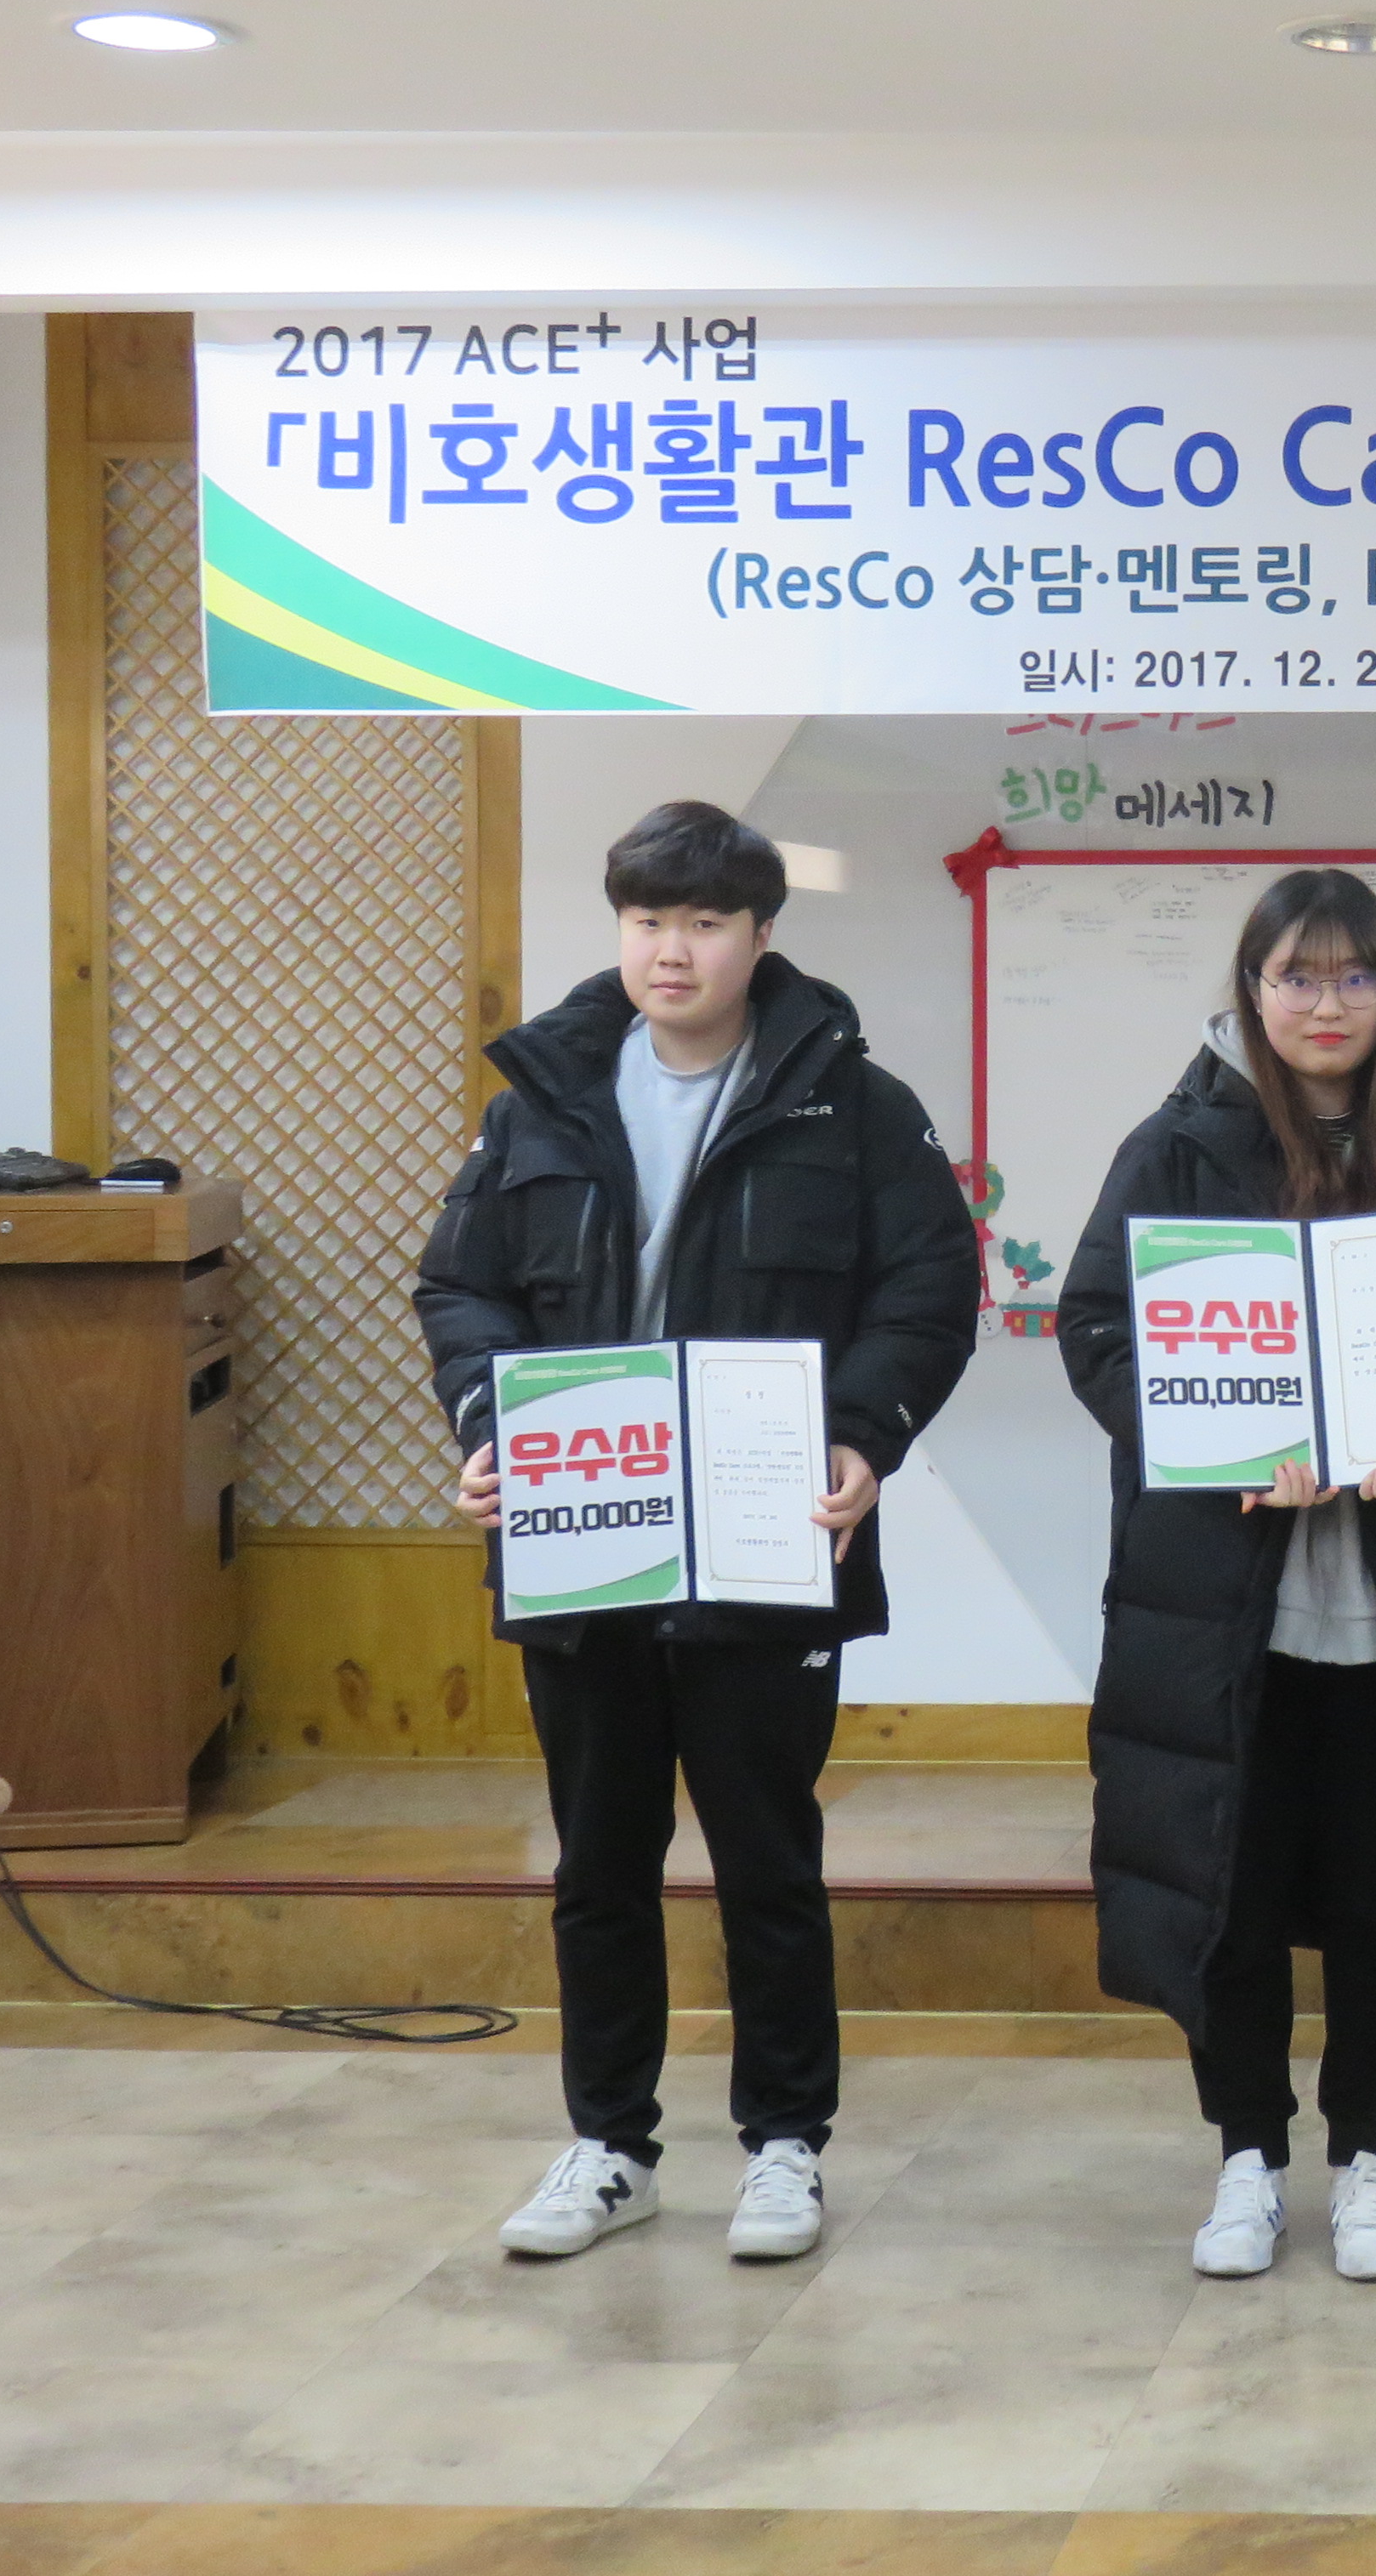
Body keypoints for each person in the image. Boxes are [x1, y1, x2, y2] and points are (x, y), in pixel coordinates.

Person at [418, 800, 979, 2266]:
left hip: (768, 1539)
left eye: (706, 923)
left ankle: (786, 2147)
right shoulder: (538, 1099)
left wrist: (860, 1436)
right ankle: (610, 2145)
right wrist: (492, 1426)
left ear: (760, 936)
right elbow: (463, 1287)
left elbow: (930, 1289)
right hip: (585, 1538)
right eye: (647, 920)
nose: (672, 950)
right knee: (598, 1865)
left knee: (766, 1861)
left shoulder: (854, 1104)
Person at [1061, 869, 1376, 2284]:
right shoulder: (1174, 1146)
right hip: (1222, 1606)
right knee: (1230, 1882)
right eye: (1294, 976)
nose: (1323, 1003)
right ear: (1251, 990)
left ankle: (1366, 2165)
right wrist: (1216, 1446)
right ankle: (1245, 2161)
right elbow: (1098, 1332)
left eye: (1353, 976)